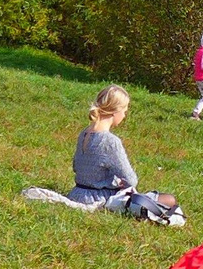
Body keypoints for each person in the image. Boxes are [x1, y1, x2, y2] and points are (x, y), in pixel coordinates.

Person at [70, 85, 178, 218]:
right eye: (124, 111)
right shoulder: (110, 141)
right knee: (169, 200)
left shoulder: (84, 134)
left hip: (76, 193)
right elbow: (131, 180)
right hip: (101, 197)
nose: (124, 116)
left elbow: (76, 166)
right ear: (116, 111)